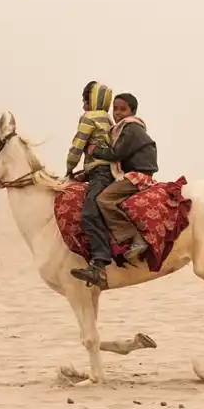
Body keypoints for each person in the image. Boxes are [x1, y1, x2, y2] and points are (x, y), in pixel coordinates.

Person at [87, 93, 158, 264]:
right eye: (115, 109)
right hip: (132, 172)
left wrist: (93, 150)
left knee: (103, 199)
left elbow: (116, 154)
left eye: (122, 109)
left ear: (132, 111)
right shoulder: (123, 129)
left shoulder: (131, 128)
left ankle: (134, 237)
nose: (117, 113)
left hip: (138, 175)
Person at [65, 80, 116, 289]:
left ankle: (99, 264)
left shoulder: (89, 117)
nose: (83, 105)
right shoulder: (108, 119)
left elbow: (78, 145)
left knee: (88, 213)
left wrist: (69, 167)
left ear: (90, 100)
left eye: (84, 100)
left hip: (100, 173)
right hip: (103, 171)